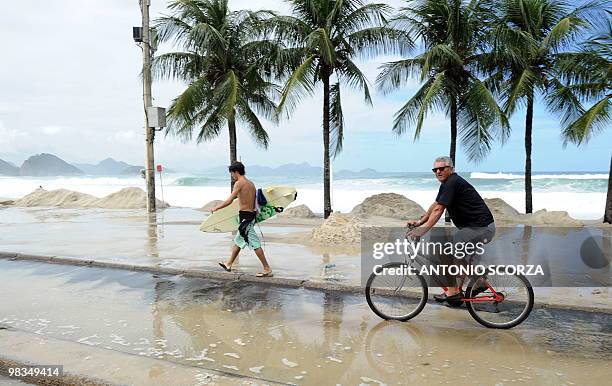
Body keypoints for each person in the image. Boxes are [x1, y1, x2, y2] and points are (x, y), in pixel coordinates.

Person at [407, 156, 495, 303]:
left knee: (447, 250)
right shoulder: (447, 183)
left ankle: (461, 289)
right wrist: (419, 222)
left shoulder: (452, 182)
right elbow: (435, 205)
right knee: (448, 253)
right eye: (435, 169)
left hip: (481, 228)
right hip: (474, 228)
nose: (438, 171)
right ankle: (457, 290)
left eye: (442, 168)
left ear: (451, 169)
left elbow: (438, 210)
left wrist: (422, 230)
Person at [213, 161, 273, 277]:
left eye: (232, 174)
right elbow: (254, 202)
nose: (232, 176)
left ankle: (267, 268)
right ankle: (229, 264)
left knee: (255, 243)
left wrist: (217, 207)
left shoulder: (239, 183)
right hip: (250, 215)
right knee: (239, 241)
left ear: (235, 172)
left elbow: (230, 200)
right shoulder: (251, 184)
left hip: (245, 217)